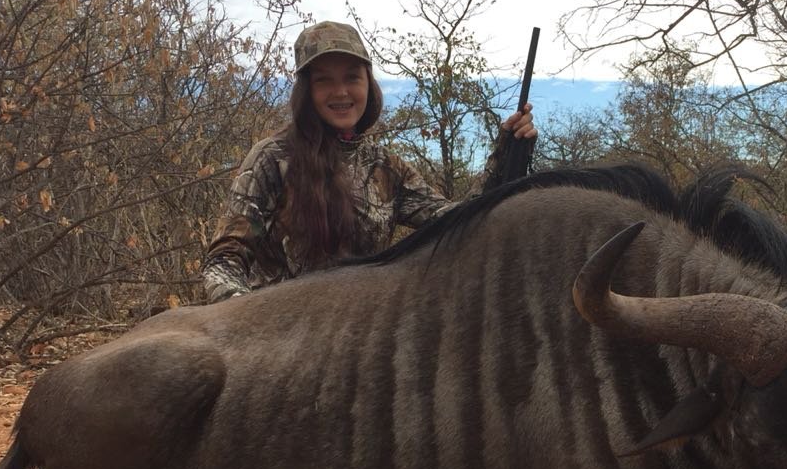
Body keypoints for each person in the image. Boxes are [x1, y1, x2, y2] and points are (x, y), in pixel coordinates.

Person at [202, 20, 537, 302]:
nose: (341, 92)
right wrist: (248, 319)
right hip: (282, 345)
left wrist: (506, 151)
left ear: (368, 84)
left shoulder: (387, 168)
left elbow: (459, 223)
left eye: (352, 77)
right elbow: (224, 261)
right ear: (306, 90)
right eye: (324, 81)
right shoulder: (272, 158)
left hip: (362, 342)